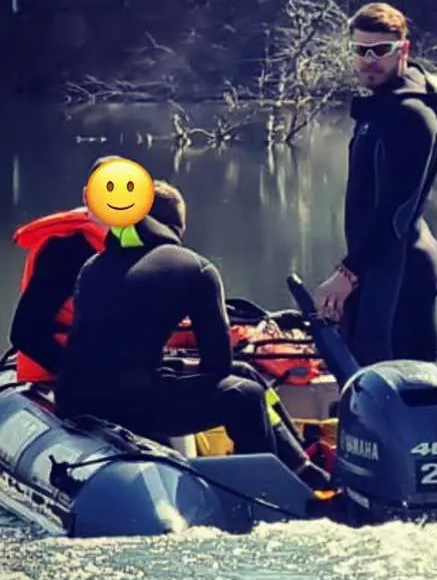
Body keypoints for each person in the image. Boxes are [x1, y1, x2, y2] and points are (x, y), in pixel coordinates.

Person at [54, 180, 330, 488]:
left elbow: (112, 349)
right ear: (178, 227)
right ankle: (265, 496)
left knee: (245, 372)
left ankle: (302, 467)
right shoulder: (195, 268)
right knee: (246, 397)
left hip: (74, 400)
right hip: (130, 403)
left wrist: (176, 367)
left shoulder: (94, 265)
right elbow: (218, 366)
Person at [313, 1, 437, 367]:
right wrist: (357, 270)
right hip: (379, 264)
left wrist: (348, 272)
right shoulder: (380, 107)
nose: (368, 60)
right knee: (367, 368)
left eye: (380, 50)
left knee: (396, 378)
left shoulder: (411, 115)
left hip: (403, 265)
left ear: (402, 50)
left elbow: (396, 211)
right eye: (360, 50)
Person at [9, 156, 120, 383]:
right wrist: (81, 377)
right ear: (87, 196)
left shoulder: (125, 246)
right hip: (50, 376)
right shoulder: (65, 250)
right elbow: (25, 332)